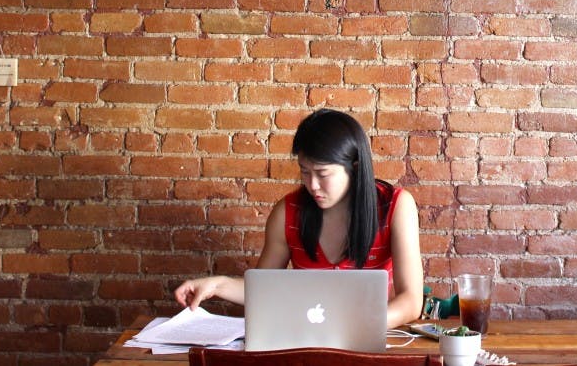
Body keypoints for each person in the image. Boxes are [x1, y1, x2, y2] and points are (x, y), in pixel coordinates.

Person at [174, 108, 424, 329]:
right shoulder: (288, 212)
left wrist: (357, 325)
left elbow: (411, 301)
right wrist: (216, 286)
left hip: (369, 336)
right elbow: (265, 290)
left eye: (322, 173)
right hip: (305, 340)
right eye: (305, 172)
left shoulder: (396, 206)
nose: (312, 185)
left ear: (355, 168)